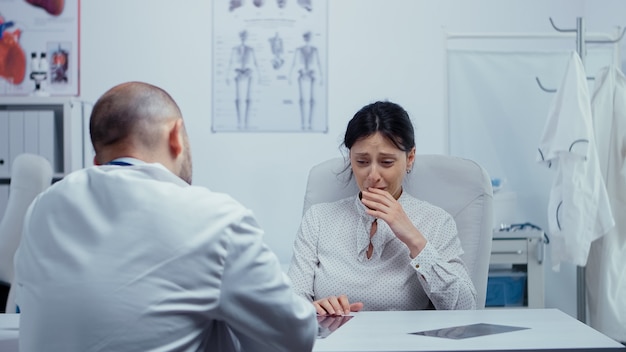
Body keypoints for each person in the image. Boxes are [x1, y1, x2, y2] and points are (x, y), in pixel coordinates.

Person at [13, 81, 317, 351]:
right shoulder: (216, 218)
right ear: (176, 136)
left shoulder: (42, 208)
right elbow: (296, 337)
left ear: (98, 160)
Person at [287, 101, 477, 315]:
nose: (373, 176)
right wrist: (313, 310)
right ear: (350, 158)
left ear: (410, 158)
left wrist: (413, 238)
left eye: (386, 162)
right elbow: (291, 304)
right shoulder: (319, 219)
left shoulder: (436, 221)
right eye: (361, 162)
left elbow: (465, 308)